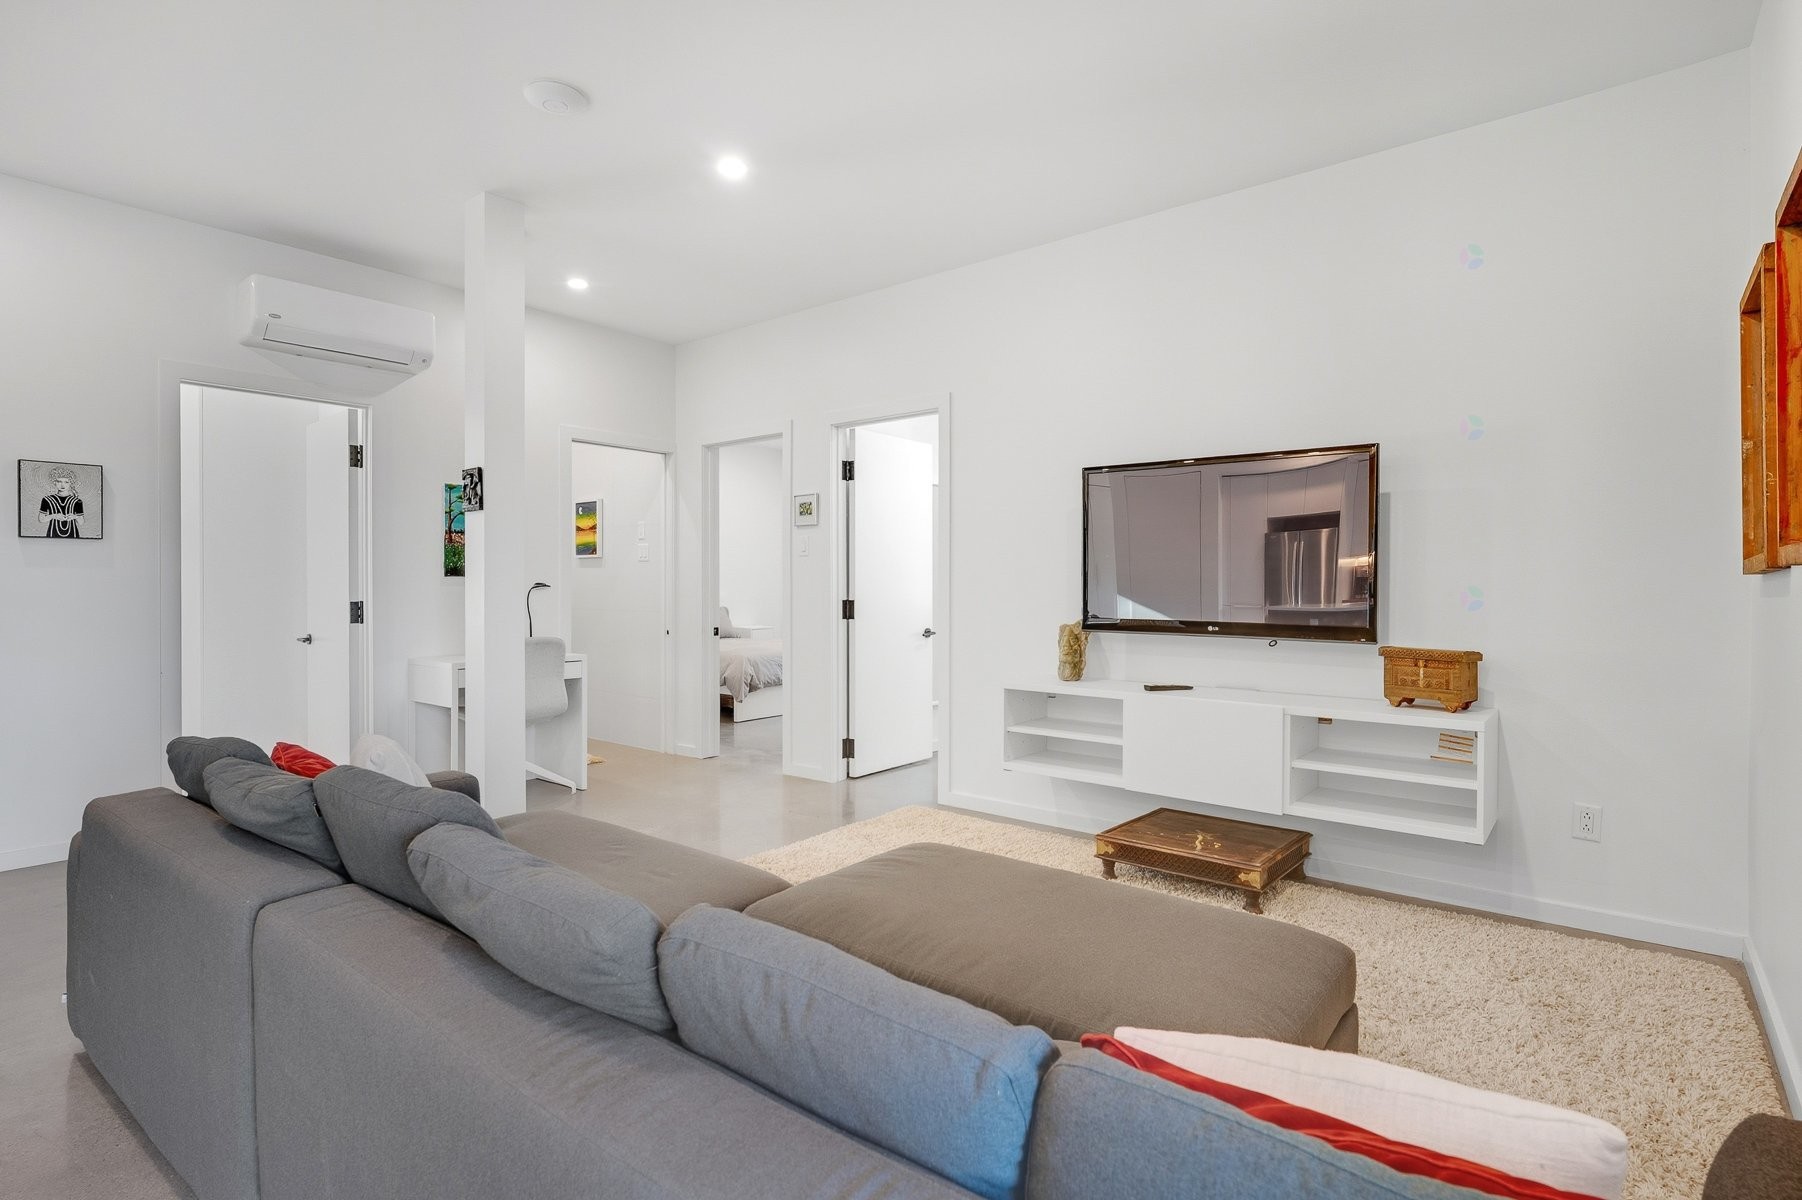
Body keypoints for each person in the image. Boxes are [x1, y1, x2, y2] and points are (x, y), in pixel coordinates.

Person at [37, 465, 84, 538]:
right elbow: (41, 519)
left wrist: (75, 517)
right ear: (54, 482)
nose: (62, 485)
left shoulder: (77, 501)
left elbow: (81, 522)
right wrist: (54, 516)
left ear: (71, 483)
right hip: (53, 533)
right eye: (59, 481)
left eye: (66, 482)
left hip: (73, 535)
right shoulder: (47, 499)